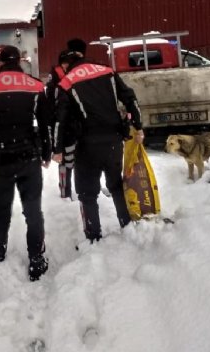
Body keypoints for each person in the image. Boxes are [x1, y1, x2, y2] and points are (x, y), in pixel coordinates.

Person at [53, 39, 144, 243]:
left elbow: (60, 119)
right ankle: (126, 224)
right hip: (113, 140)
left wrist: (57, 148)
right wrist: (138, 125)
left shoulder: (66, 82)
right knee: (115, 184)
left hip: (87, 145)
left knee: (87, 193)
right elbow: (130, 97)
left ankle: (93, 237)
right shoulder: (106, 71)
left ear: (67, 64)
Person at [0, 45, 52, 281]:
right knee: (33, 212)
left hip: (1, 157)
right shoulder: (35, 84)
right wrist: (46, 152)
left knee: (1, 212)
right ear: (20, 60)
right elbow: (46, 122)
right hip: (29, 156)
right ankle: (36, 261)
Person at [45, 50, 75, 198]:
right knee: (65, 161)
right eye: (66, 64)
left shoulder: (72, 74)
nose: (68, 67)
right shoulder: (54, 79)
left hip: (74, 124)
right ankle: (65, 192)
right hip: (61, 123)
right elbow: (50, 102)